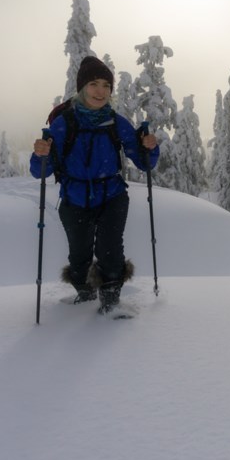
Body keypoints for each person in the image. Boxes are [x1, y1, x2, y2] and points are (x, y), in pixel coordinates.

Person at [31, 55, 160, 314]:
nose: (100, 91)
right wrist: (40, 153)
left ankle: (111, 302)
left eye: (106, 85)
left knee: (111, 250)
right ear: (81, 88)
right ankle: (85, 294)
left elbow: (144, 162)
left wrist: (149, 147)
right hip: (75, 199)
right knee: (78, 256)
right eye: (94, 84)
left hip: (112, 196)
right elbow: (39, 172)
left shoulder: (116, 122)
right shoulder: (64, 123)